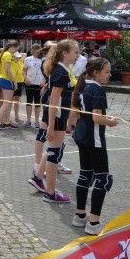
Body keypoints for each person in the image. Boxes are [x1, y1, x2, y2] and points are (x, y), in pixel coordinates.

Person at [69, 57, 119, 235]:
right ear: (96, 73)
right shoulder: (97, 90)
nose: (110, 74)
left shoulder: (84, 86)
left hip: (82, 136)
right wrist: (111, 121)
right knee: (103, 179)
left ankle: (79, 215)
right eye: (107, 72)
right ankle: (93, 222)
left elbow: (80, 113)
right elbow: (97, 118)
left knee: (85, 174)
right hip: (94, 139)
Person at [37, 39, 80, 203]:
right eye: (75, 52)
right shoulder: (61, 72)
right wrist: (50, 126)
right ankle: (50, 193)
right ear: (65, 53)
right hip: (57, 117)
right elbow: (54, 101)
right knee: (55, 153)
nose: (78, 55)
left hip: (59, 116)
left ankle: (37, 177)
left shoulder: (62, 69)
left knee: (53, 149)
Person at [0, 41, 19, 130]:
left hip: (3, 79)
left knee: (7, 102)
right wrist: (14, 81)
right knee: (7, 102)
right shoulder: (8, 54)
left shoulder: (5, 54)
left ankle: (6, 122)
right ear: (12, 47)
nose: (16, 51)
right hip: (6, 80)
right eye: (16, 49)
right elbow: (8, 70)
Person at [23, 44, 44, 129]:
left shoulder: (43, 60)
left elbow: (46, 73)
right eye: (34, 50)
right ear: (31, 50)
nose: (35, 52)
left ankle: (36, 121)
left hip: (39, 84)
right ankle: (28, 120)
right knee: (29, 101)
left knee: (37, 102)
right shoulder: (27, 59)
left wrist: (44, 82)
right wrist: (25, 79)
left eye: (37, 50)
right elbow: (24, 71)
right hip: (29, 83)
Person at [10, 51, 26, 124]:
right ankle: (8, 118)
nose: (18, 58)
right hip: (14, 82)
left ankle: (16, 117)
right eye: (16, 57)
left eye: (19, 57)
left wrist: (20, 55)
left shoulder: (21, 61)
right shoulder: (12, 63)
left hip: (20, 83)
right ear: (13, 57)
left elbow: (24, 54)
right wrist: (14, 82)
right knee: (10, 101)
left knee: (17, 100)